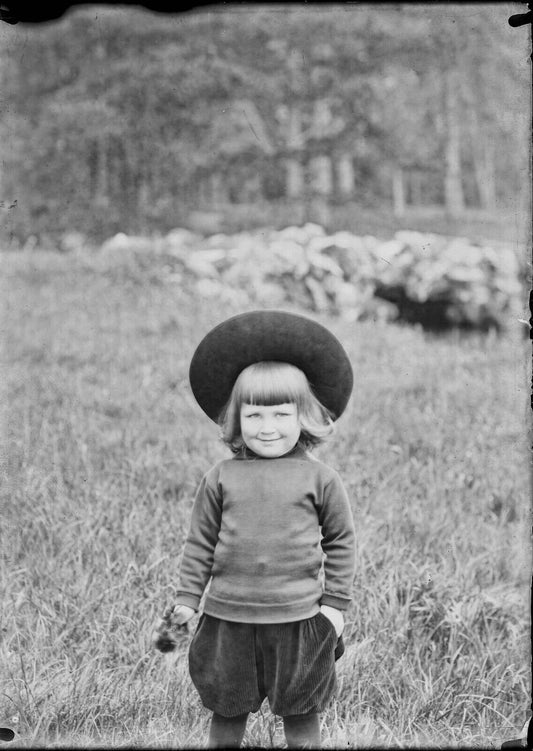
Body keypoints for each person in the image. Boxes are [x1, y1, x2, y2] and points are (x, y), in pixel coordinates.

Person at [154, 310, 356, 749]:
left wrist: (335, 606)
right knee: (226, 710)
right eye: (255, 416)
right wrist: (188, 601)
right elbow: (200, 543)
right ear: (235, 418)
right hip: (229, 618)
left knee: (301, 712)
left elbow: (340, 541)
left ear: (303, 416)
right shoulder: (221, 477)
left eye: (282, 415)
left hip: (299, 618)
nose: (268, 429)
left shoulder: (321, 479)